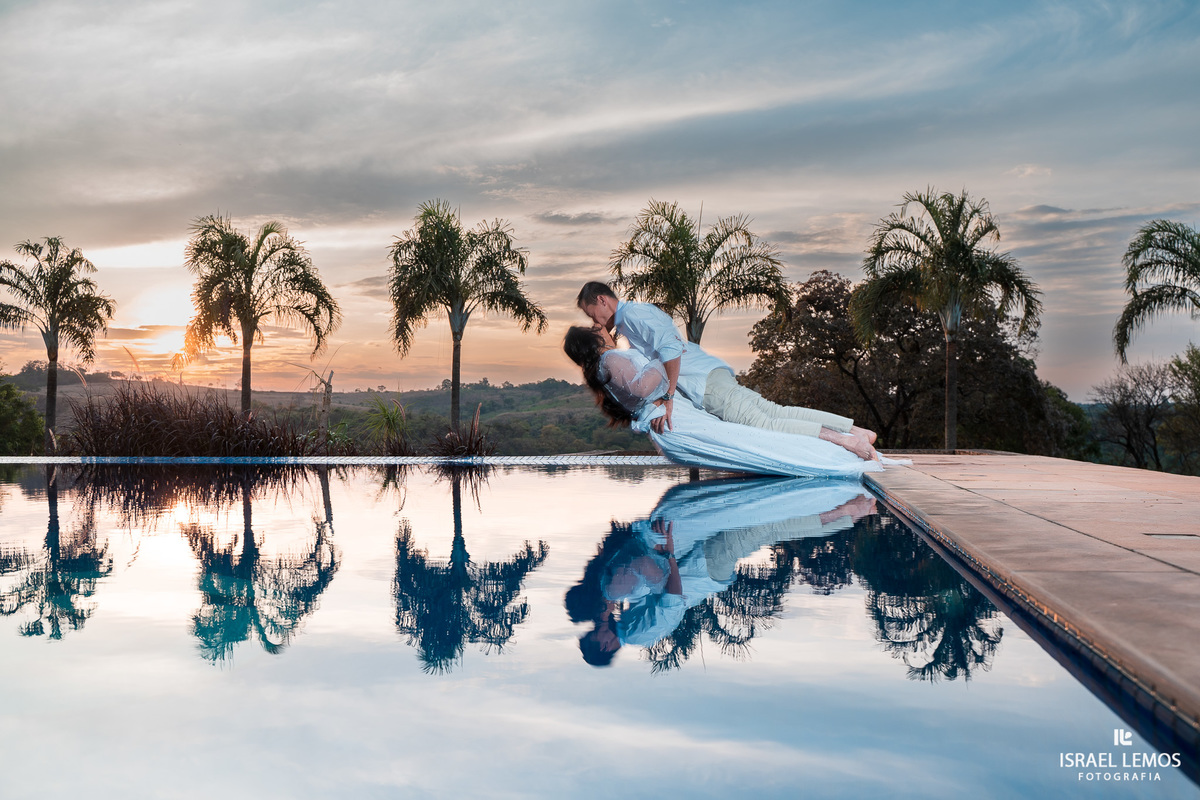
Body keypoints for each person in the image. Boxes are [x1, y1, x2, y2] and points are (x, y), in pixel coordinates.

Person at [576, 281, 877, 460]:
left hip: (704, 383)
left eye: (593, 315)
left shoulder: (635, 315)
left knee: (765, 424)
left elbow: (669, 350)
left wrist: (668, 397)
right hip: (708, 375)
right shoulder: (632, 322)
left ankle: (847, 441)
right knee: (774, 412)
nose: (596, 323)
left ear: (602, 300)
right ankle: (856, 431)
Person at [563, 324, 896, 478]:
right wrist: (659, 356)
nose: (601, 327)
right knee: (767, 423)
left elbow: (638, 389)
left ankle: (851, 437)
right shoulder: (610, 361)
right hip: (681, 409)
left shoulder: (606, 364)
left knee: (765, 425)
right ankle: (851, 436)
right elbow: (640, 387)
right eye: (594, 327)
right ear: (591, 340)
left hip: (683, 406)